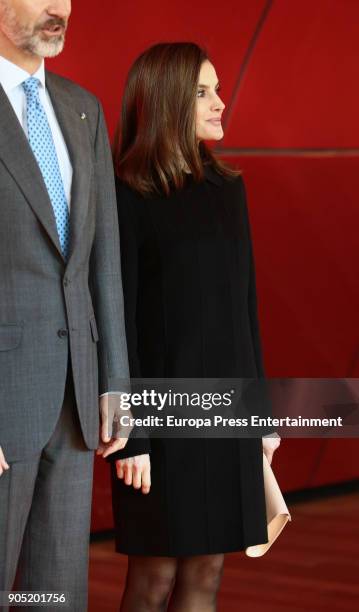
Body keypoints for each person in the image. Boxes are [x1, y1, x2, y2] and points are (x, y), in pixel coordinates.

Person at [107, 42, 281, 612]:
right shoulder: (125, 196)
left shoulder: (228, 191)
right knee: (153, 580)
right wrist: (133, 435)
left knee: (208, 572)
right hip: (159, 424)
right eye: (203, 92)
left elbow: (244, 309)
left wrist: (261, 415)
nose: (220, 103)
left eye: (217, 89)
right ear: (166, 104)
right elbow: (117, 324)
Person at [0, 1, 131, 610]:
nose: (60, 8)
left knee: (58, 597)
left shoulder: (84, 109)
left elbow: (102, 259)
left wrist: (114, 384)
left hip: (77, 401)